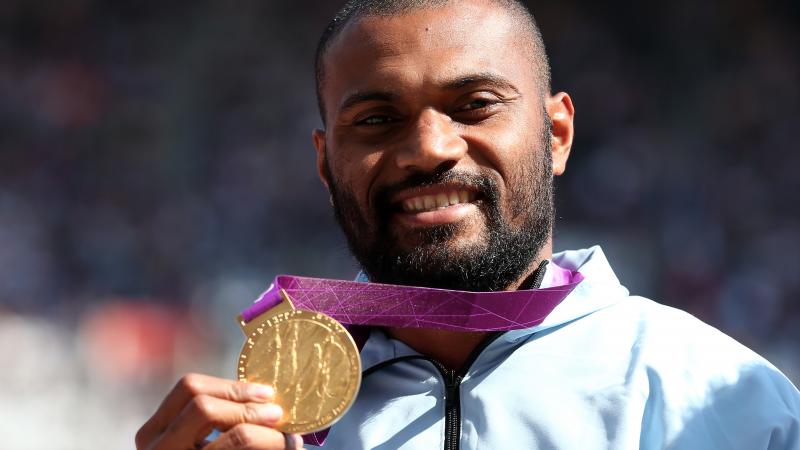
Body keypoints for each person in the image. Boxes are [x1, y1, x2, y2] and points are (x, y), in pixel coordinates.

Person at [135, 0, 800, 449]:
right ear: (324, 164)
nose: (429, 147)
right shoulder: (272, 415)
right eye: (375, 119)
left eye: (475, 105)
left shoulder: (725, 404)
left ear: (557, 134)